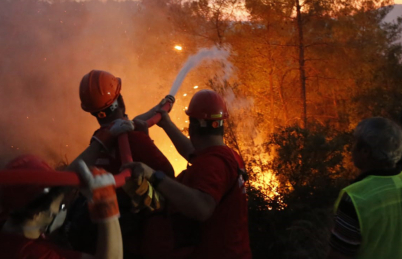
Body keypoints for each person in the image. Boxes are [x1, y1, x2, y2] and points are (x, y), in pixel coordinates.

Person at [126, 89, 252, 259]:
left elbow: (202, 208)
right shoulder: (227, 155)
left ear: (194, 125)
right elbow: (191, 151)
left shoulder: (213, 164)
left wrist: (155, 176)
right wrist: (166, 124)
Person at [69, 70, 175, 258]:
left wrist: (159, 107)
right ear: (122, 101)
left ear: (93, 112)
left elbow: (131, 121)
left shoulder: (98, 141)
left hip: (96, 236)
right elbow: (169, 175)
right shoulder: (134, 139)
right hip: (133, 241)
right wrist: (146, 138)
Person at [0, 155, 123, 259]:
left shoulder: (10, 216)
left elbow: (51, 193)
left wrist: (101, 140)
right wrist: (105, 202)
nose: (60, 208)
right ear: (37, 213)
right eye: (59, 205)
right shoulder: (32, 254)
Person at [327, 117, 402, 259]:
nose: (351, 148)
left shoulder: (355, 198)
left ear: (365, 151)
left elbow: (339, 255)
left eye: (354, 143)